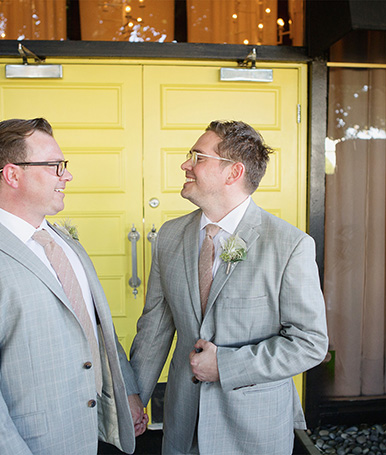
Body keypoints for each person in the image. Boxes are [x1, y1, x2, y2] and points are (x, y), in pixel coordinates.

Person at [0, 118, 146, 454]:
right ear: (12, 174)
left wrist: (126, 391)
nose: (66, 175)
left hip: (89, 437)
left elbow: (98, 327)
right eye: (56, 166)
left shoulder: (66, 244)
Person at [129, 120, 328, 454]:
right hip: (182, 424)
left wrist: (225, 366)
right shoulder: (169, 236)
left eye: (198, 157)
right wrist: (135, 397)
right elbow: (154, 330)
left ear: (233, 172)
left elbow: (310, 343)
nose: (185, 164)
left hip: (253, 429)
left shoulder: (290, 245)